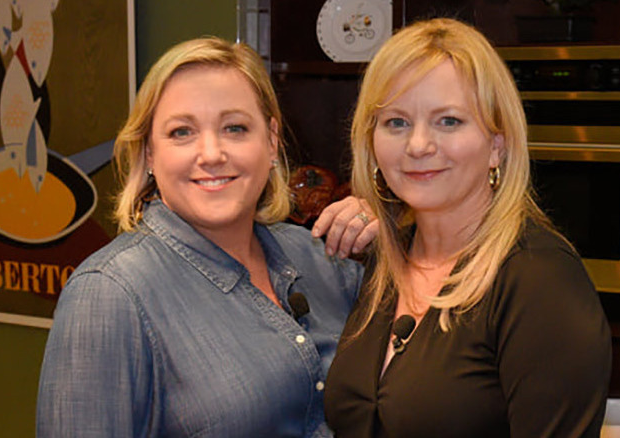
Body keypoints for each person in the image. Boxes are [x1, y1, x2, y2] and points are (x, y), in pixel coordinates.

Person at [36, 37, 375, 437]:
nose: (211, 153)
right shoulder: (111, 294)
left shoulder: (323, 257)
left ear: (270, 141)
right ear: (148, 153)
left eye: (234, 128)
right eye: (182, 132)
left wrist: (387, 231)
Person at [323, 18, 612, 437]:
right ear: (371, 143)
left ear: (497, 145)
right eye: (397, 123)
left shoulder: (539, 278)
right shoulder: (381, 262)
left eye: (449, 121)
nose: (419, 145)